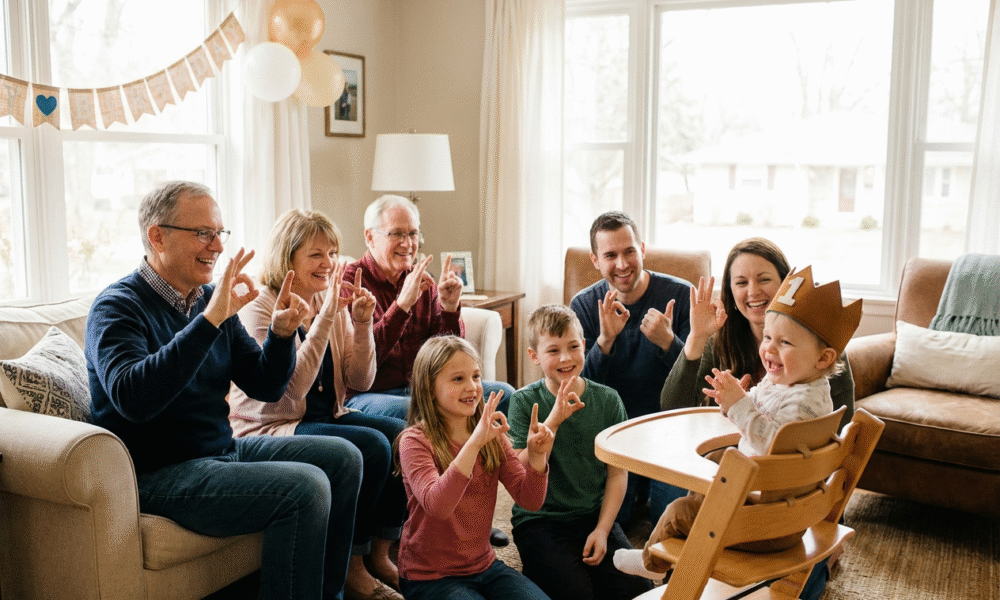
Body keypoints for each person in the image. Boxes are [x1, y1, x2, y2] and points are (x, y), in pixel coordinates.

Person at [86, 181, 362, 599]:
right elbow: (134, 399)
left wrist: (283, 334)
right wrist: (210, 321)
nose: (216, 246)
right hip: (158, 472)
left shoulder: (208, 301)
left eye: (219, 233)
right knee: (306, 488)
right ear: (156, 236)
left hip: (220, 451)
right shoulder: (117, 307)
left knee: (344, 458)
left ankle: (327, 593)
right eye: (203, 233)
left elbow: (266, 385)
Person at [615, 265, 863, 581]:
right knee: (717, 459)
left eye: (784, 343)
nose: (769, 348)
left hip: (768, 523)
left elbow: (773, 443)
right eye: (769, 337)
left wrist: (741, 405)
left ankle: (652, 564)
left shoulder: (802, 402)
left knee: (678, 512)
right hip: (776, 503)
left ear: (824, 359)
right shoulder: (798, 384)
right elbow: (764, 405)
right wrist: (739, 401)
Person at [228, 209, 405, 600]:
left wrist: (361, 326)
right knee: (370, 447)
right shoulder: (260, 306)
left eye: (333, 253)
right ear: (287, 257)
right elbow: (288, 391)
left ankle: (380, 554)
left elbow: (361, 381)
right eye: (316, 255)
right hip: (272, 425)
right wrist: (325, 318)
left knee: (400, 435)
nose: (329, 264)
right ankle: (352, 570)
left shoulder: (328, 297)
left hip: (330, 414)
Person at [507, 304, 654, 600]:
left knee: (639, 590)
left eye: (573, 347)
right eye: (553, 351)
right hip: (540, 521)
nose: (565, 358)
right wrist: (554, 420)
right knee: (575, 592)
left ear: (584, 346)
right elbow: (519, 472)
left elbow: (617, 473)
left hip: (593, 515)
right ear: (534, 356)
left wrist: (602, 529)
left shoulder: (609, 401)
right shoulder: (524, 402)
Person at [394, 335, 553, 600]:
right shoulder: (414, 441)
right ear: (429, 387)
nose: (472, 387)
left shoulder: (492, 438)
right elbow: (438, 506)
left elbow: (530, 500)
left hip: (484, 565)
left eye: (476, 376)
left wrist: (537, 457)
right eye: (458, 379)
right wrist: (475, 442)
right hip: (429, 576)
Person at [342, 194, 516, 422]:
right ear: (370, 237)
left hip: (425, 389)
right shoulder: (350, 284)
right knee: (415, 409)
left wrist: (450, 308)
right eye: (396, 234)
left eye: (413, 234)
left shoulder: (422, 280)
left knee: (507, 395)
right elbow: (361, 365)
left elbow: (448, 357)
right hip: (371, 394)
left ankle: (498, 458)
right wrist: (401, 306)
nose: (408, 244)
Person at [569, 211, 693, 525]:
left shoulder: (680, 295)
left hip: (667, 430)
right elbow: (578, 390)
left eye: (629, 252)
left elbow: (698, 383)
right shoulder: (584, 306)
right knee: (608, 525)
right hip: (612, 434)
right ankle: (635, 489)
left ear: (642, 250)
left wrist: (669, 343)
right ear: (596, 261)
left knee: (673, 523)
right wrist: (605, 342)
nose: (622, 264)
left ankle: (648, 487)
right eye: (610, 255)